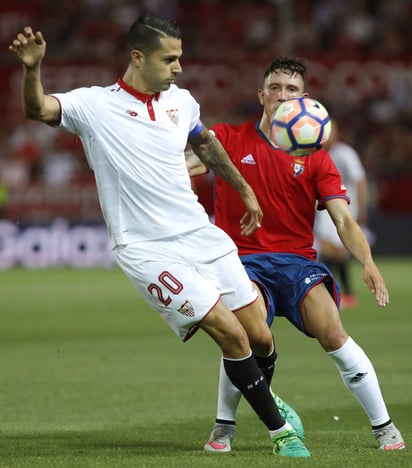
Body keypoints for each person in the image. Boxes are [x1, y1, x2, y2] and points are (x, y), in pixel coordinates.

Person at [9, 16, 311, 458]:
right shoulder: (93, 106)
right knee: (231, 335)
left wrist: (244, 189)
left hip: (199, 234)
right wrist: (32, 68)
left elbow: (204, 144)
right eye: (170, 59)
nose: (179, 68)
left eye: (180, 58)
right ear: (138, 57)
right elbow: (37, 109)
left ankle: (259, 395)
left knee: (260, 337)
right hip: (147, 249)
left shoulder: (181, 102)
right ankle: (281, 431)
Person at [187, 57, 405, 452]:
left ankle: (384, 427)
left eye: (291, 89)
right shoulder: (228, 139)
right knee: (244, 337)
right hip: (240, 262)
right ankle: (224, 427)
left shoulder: (318, 157)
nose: (281, 95)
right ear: (261, 94)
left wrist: (368, 263)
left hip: (297, 264)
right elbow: (185, 166)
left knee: (335, 333)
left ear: (304, 99)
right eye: (274, 88)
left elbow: (344, 220)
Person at [314, 119, 368, 309]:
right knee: (330, 251)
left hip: (345, 208)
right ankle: (337, 292)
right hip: (322, 212)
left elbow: (359, 181)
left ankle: (342, 292)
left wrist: (361, 209)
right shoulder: (314, 154)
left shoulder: (344, 153)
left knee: (338, 252)